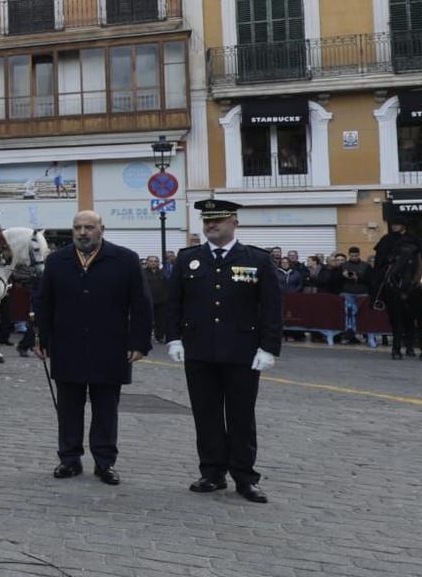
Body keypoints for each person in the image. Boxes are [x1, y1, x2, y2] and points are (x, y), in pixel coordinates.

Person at [164, 198, 282, 504]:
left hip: (242, 351)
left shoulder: (256, 259)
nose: (211, 225)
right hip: (200, 350)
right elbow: (174, 302)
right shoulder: (188, 258)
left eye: (217, 220)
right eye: (206, 221)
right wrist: (173, 338)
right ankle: (212, 472)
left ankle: (245, 476)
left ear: (234, 222)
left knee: (241, 416)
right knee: (206, 414)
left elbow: (271, 307)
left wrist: (268, 348)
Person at [33, 211, 151, 486]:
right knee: (69, 407)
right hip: (67, 345)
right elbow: (43, 302)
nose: (82, 232)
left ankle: (104, 462)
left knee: (106, 408)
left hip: (110, 346)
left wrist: (139, 342)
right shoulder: (57, 261)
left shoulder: (125, 259)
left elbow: (141, 304)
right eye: (77, 228)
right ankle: (69, 459)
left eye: (88, 227)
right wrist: (41, 338)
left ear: (101, 230)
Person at [141, 256, 167, 344]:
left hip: (161, 300)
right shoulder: (142, 273)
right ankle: (144, 338)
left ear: (158, 263)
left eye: (155, 261)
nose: (153, 263)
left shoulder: (163, 273)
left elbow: (167, 286)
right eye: (151, 261)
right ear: (147, 262)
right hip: (147, 301)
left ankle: (159, 336)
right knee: (146, 320)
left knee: (161, 320)